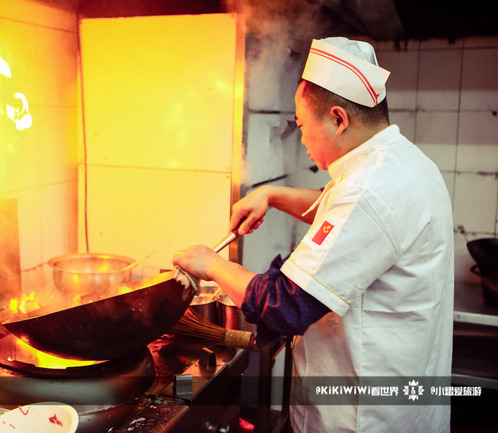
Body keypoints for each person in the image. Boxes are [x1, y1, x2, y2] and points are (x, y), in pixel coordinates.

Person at [172, 37, 454, 433]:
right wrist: (269, 195)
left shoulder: (371, 191)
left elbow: (283, 306)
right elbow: (335, 204)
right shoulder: (401, 162)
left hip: (361, 417)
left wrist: (211, 263)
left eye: (302, 126)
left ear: (338, 119)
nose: (301, 140)